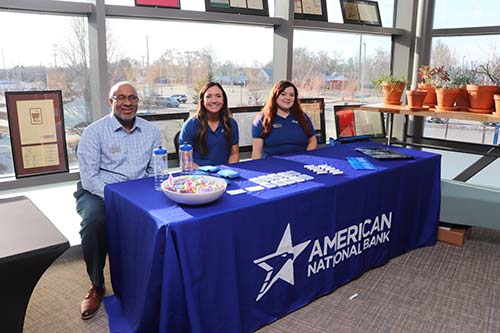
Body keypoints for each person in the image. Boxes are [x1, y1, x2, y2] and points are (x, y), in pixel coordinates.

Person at [74, 81, 161, 320]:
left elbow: (156, 170)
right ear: (111, 102)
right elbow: (89, 178)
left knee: (165, 217)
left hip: (138, 190)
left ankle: (150, 279)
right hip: (99, 192)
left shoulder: (151, 131)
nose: (127, 103)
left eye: (132, 98)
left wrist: (144, 194)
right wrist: (120, 199)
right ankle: (97, 284)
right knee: (94, 222)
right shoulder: (94, 132)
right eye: (121, 98)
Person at [251, 80, 317, 159]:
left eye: (292, 95)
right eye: (283, 94)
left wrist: (306, 158)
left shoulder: (302, 117)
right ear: (275, 96)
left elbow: (312, 140)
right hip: (272, 166)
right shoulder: (262, 120)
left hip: (301, 163)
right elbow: (256, 153)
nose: (288, 98)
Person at [179, 82, 239, 167]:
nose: (214, 100)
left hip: (225, 174)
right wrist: (206, 176)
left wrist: (230, 172)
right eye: (208, 96)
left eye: (218, 96)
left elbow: (234, 154)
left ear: (223, 100)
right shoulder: (190, 125)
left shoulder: (231, 124)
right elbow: (186, 160)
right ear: (202, 101)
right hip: (199, 176)